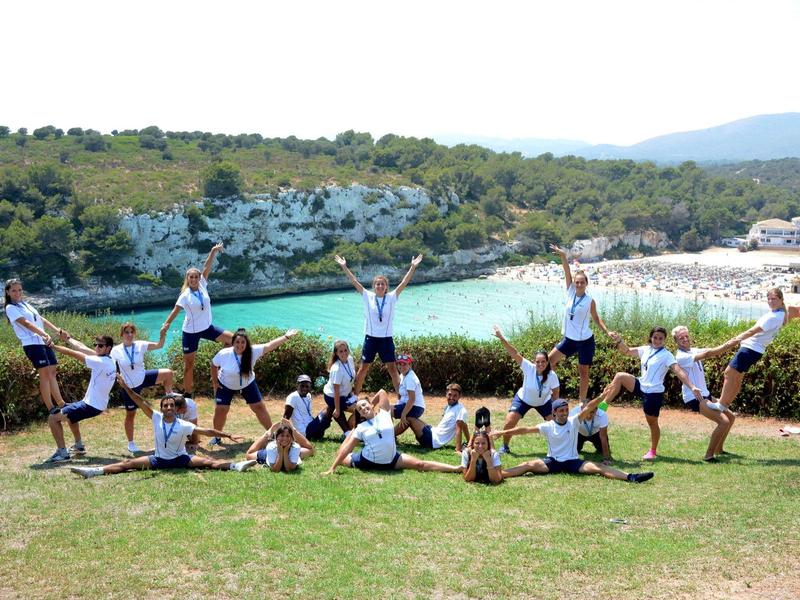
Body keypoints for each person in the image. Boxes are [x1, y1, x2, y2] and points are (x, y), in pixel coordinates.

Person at [71, 376, 255, 478]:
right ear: (162, 408)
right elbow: (139, 400)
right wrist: (126, 387)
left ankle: (236, 466)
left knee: (209, 463)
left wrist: (226, 434)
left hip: (181, 459)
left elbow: (205, 431)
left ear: (176, 409)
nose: (168, 408)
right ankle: (93, 472)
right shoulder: (156, 417)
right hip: (158, 459)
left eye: (171, 406)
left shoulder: (183, 424)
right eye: (165, 405)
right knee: (127, 464)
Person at [495, 399, 654, 483]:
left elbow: (588, 407)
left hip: (573, 462)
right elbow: (524, 430)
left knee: (598, 467)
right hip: (552, 462)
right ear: (554, 412)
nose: (564, 413)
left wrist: (602, 397)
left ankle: (631, 477)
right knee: (527, 466)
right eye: (561, 411)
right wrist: (502, 432)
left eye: (566, 410)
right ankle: (497, 475)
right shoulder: (548, 426)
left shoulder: (574, 421)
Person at [604, 326, 703, 461]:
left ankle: (653, 451)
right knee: (620, 376)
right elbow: (627, 351)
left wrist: (692, 387)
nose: (657, 340)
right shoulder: (646, 349)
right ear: (651, 337)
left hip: (653, 393)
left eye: (660, 338)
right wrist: (618, 340)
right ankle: (602, 407)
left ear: (664, 340)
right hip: (641, 385)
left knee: (652, 423)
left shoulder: (666, 355)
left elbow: (678, 371)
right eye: (655, 337)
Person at [334, 253, 423, 394]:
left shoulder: (392, 297)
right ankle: (354, 396)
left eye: (382, 284)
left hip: (386, 339)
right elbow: (354, 281)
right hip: (370, 338)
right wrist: (344, 267)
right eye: (377, 284)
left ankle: (402, 397)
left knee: (393, 370)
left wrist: (412, 267)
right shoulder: (367, 296)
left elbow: (404, 282)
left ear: (386, 286)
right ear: (374, 286)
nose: (380, 286)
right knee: (363, 369)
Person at [322, 390, 462, 475]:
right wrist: (332, 468)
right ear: (360, 415)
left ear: (371, 405)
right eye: (359, 409)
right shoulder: (361, 427)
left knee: (420, 465)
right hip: (368, 461)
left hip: (392, 460)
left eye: (364, 404)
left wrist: (372, 401)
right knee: (342, 455)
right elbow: (348, 447)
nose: (363, 408)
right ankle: (340, 459)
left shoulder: (384, 413)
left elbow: (382, 392)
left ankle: (456, 468)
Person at [161, 243, 233, 398]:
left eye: (196, 276)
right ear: (187, 279)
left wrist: (213, 251)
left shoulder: (202, 285)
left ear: (199, 278)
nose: (194, 279)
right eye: (191, 277)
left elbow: (207, 267)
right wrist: (166, 325)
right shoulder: (185, 295)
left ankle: (216, 363)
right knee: (189, 366)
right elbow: (176, 310)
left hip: (207, 328)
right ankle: (188, 394)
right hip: (190, 332)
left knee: (233, 340)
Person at [547, 244, 616, 404]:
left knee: (583, 372)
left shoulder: (589, 300)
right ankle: (554, 396)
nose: (578, 284)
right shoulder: (570, 291)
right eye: (577, 282)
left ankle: (582, 401)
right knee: (549, 361)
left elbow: (597, 319)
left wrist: (607, 332)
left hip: (585, 341)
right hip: (569, 340)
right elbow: (567, 271)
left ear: (586, 284)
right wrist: (563, 256)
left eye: (581, 283)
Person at [208, 328, 298, 446]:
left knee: (259, 407)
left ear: (247, 343)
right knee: (221, 410)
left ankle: (272, 434)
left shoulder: (253, 351)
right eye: (237, 342)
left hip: (247, 383)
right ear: (233, 342)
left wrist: (286, 336)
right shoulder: (224, 354)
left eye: (243, 342)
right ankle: (217, 437)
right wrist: (215, 382)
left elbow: (270, 345)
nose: (240, 345)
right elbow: (213, 365)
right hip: (226, 384)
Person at [43, 332, 117, 463]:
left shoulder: (100, 362)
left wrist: (53, 347)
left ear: (108, 348)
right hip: (95, 404)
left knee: (53, 418)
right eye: (96, 345)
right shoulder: (109, 360)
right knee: (70, 413)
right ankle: (79, 446)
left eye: (100, 346)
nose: (96, 348)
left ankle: (62, 453)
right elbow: (81, 347)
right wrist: (68, 339)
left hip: (91, 405)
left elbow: (75, 354)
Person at [717, 288, 786, 428]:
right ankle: (725, 404)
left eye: (774, 299)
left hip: (750, 348)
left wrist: (735, 339)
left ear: (781, 300)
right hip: (755, 349)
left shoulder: (774, 317)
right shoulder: (780, 314)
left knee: (729, 373)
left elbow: (753, 331)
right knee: (737, 376)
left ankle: (721, 404)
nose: (771, 301)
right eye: (769, 299)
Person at [672, 325, 739, 461]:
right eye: (681, 338)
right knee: (724, 422)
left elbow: (710, 350)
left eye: (686, 336)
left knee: (730, 417)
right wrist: (729, 344)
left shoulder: (692, 350)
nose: (685, 339)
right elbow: (708, 354)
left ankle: (719, 449)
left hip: (705, 394)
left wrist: (731, 343)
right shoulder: (681, 356)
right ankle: (709, 455)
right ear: (676, 341)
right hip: (694, 397)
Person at [492, 326, 560, 455]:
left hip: (544, 402)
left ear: (547, 362)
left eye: (543, 361)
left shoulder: (552, 375)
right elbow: (514, 353)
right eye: (538, 362)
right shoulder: (528, 367)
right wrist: (501, 338)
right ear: (534, 362)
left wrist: (555, 409)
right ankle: (505, 447)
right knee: (510, 421)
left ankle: (557, 448)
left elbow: (556, 393)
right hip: (524, 399)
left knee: (555, 425)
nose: (540, 364)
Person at [3, 278, 66, 412]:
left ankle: (61, 403)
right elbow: (26, 323)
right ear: (8, 292)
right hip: (32, 344)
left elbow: (40, 319)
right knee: (44, 374)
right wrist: (44, 334)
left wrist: (56, 330)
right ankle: (51, 407)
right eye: (14, 290)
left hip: (43, 341)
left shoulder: (26, 304)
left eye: (19, 290)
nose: (17, 293)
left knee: (52, 372)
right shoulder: (10, 308)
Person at [111, 321, 173, 453]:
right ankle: (131, 443)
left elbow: (159, 345)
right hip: (129, 386)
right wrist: (117, 378)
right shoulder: (116, 350)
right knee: (130, 414)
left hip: (142, 377)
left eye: (132, 332)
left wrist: (162, 334)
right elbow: (109, 366)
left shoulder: (140, 345)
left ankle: (170, 400)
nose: (129, 334)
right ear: (122, 334)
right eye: (126, 332)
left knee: (168, 373)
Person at [406, 383, 470, 453]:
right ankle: (393, 437)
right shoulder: (450, 406)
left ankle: (392, 437)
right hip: (432, 431)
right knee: (412, 418)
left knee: (409, 418)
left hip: (432, 440)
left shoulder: (461, 410)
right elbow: (465, 426)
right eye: (449, 394)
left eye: (455, 395)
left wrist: (458, 450)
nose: (451, 397)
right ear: (446, 394)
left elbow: (459, 429)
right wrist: (470, 443)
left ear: (460, 396)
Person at [245, 419, 315, 472]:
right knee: (249, 455)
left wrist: (294, 430)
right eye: (282, 435)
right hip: (271, 454)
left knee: (310, 451)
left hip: (290, 451)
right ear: (276, 438)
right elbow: (275, 469)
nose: (285, 438)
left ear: (292, 438)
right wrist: (280, 452)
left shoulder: (295, 447)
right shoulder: (271, 447)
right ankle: (267, 433)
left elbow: (289, 469)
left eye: (288, 436)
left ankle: (290, 432)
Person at [322, 340, 358, 434]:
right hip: (332, 396)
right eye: (341, 351)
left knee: (361, 406)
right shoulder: (336, 369)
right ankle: (347, 432)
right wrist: (337, 410)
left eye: (345, 350)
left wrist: (352, 393)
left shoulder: (350, 359)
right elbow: (336, 391)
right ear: (336, 353)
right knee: (358, 409)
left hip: (345, 394)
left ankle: (350, 430)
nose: (344, 353)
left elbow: (351, 377)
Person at [284, 374, 332, 441]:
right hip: (304, 432)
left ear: (310, 387)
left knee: (329, 409)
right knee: (331, 407)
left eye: (307, 386)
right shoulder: (292, 397)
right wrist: (283, 435)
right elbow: (285, 418)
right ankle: (347, 433)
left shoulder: (308, 396)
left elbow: (308, 414)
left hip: (311, 427)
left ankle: (318, 434)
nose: (304, 388)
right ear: (297, 385)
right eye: (302, 386)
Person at [392, 353, 426, 437]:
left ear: (410, 365)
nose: (401, 366)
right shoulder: (403, 375)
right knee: (388, 409)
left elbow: (412, 399)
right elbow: (401, 394)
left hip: (415, 407)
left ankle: (388, 436)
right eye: (399, 364)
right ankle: (390, 435)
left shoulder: (410, 378)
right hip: (412, 406)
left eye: (404, 364)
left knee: (387, 411)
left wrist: (403, 414)